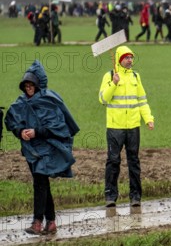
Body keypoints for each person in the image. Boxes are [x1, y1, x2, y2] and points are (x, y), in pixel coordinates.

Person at [4, 60, 80, 235]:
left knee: (39, 183)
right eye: (26, 85)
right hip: (31, 151)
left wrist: (37, 132)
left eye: (32, 85)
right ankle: (51, 222)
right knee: (42, 184)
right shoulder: (20, 102)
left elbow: (58, 127)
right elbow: (12, 122)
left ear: (38, 84)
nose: (29, 88)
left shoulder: (49, 100)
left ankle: (37, 222)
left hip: (47, 150)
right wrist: (20, 131)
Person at [98, 46, 154, 207]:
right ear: (119, 59)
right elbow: (103, 99)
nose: (130, 60)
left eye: (131, 57)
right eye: (126, 57)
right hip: (115, 127)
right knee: (113, 161)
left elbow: (142, 101)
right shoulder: (109, 76)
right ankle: (110, 196)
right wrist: (113, 84)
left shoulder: (136, 77)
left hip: (133, 127)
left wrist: (148, 118)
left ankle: (135, 196)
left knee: (134, 161)